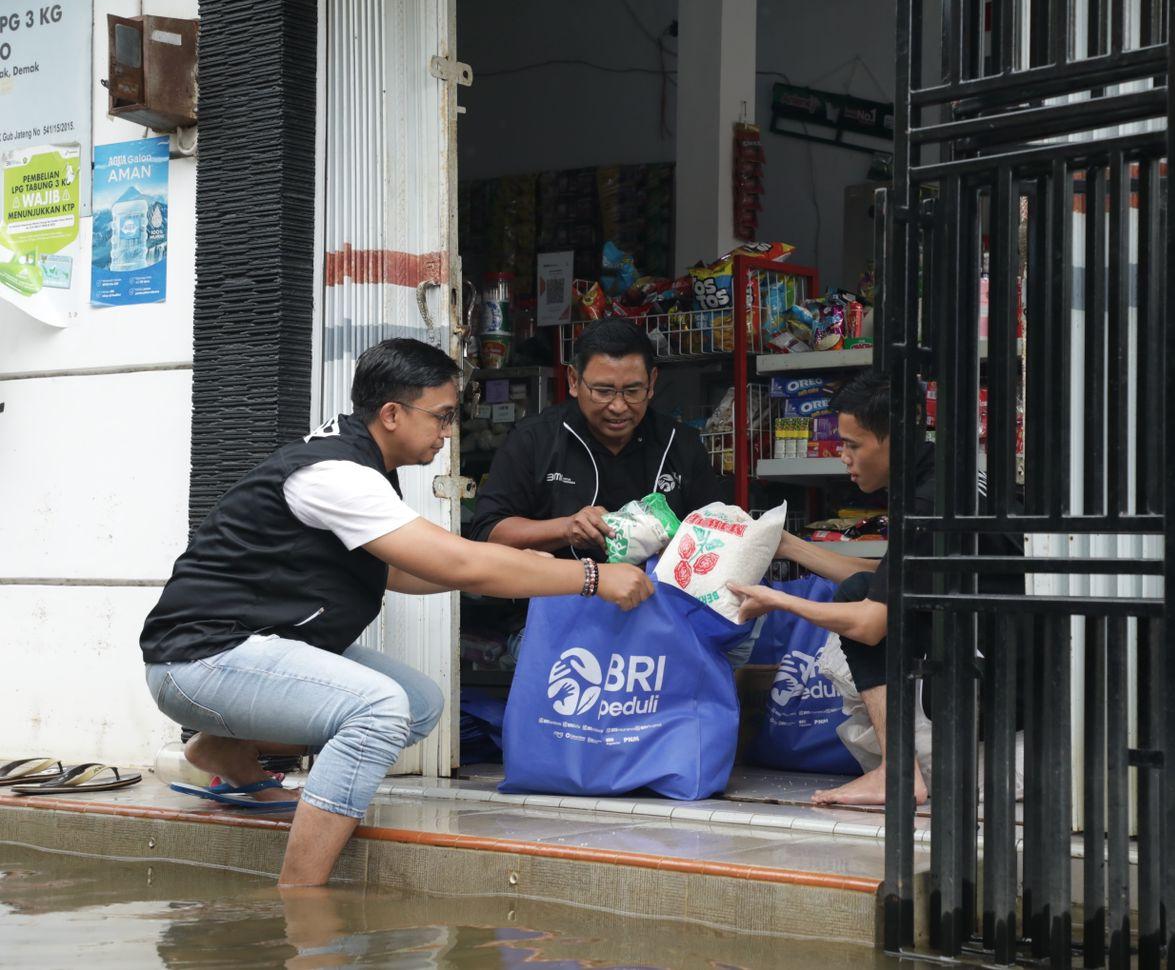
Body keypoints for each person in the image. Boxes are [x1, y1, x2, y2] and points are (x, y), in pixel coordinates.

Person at [140, 338, 654, 888]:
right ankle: (302, 896)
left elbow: (403, 572)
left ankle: (223, 751)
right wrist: (592, 578)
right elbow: (458, 563)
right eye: (442, 416)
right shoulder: (338, 475)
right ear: (391, 414)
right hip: (200, 660)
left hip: (248, 651)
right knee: (380, 708)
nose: (448, 432)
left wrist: (511, 563)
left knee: (418, 704)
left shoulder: (361, 464)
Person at [727, 370, 943, 806]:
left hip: (997, 659)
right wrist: (787, 544)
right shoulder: (935, 475)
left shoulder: (926, 503)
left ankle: (896, 771)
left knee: (857, 600)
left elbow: (870, 623)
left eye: (852, 445)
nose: (842, 455)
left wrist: (778, 600)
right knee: (865, 585)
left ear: (894, 438)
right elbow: (887, 576)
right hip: (987, 632)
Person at [467, 317, 727, 560]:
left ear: (652, 382)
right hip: (557, 600)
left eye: (632, 390)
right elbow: (487, 533)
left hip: (655, 605)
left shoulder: (680, 444)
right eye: (603, 391)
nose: (618, 406)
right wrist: (566, 528)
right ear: (573, 380)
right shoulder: (534, 440)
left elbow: (719, 537)